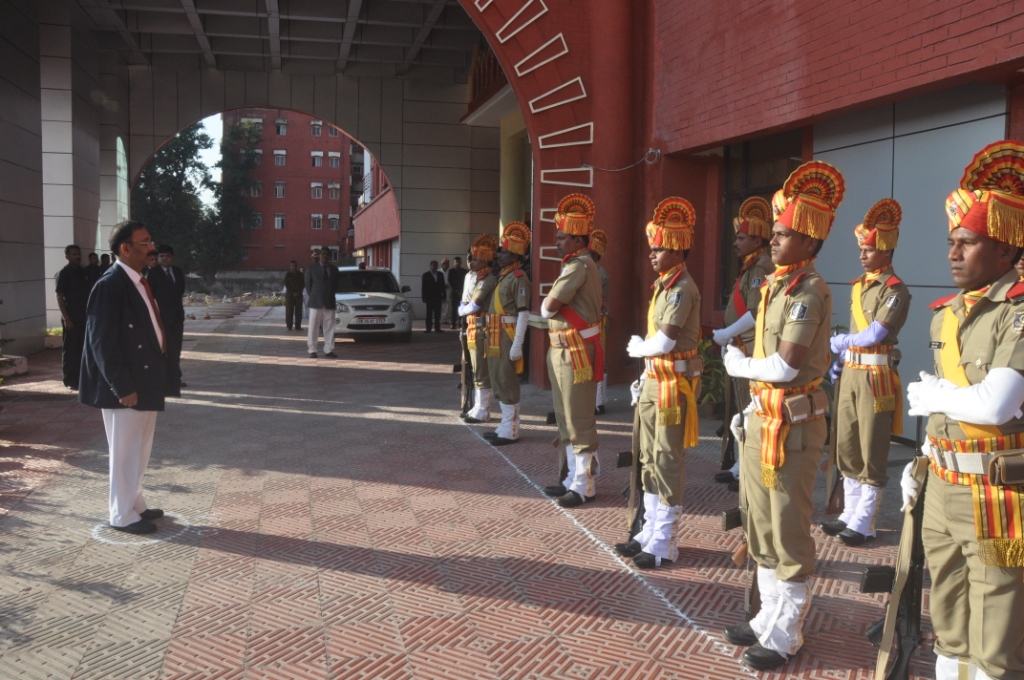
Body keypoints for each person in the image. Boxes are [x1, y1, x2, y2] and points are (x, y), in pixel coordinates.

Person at [902, 140, 1024, 680]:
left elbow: (997, 404)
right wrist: (924, 458)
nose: (953, 253)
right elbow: (950, 406)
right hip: (943, 484)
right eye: (952, 242)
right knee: (948, 621)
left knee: (996, 640)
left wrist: (934, 397)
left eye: (967, 243)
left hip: (993, 493)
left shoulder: (1016, 313)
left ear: (1005, 250)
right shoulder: (945, 314)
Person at [721, 161, 844, 670]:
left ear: (810, 241)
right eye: (773, 232)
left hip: (793, 425)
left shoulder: (808, 291)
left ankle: (786, 631)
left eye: (784, 234)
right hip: (764, 418)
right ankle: (766, 617)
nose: (773, 240)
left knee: (787, 527)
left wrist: (739, 365)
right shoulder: (776, 285)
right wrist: (751, 402)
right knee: (761, 524)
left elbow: (786, 365)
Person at [614, 198, 702, 569]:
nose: (652, 253)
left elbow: (665, 341)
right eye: (651, 248)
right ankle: (649, 530)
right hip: (655, 380)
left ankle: (665, 540)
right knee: (649, 458)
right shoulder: (665, 286)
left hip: (671, 385)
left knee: (666, 460)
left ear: (678, 249)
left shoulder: (681, 288)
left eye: (659, 248)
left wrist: (640, 348)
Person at [820, 199, 911, 546]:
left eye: (869, 249)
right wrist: (841, 361)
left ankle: (865, 520)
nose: (862, 255)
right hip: (852, 374)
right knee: (846, 443)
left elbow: (875, 333)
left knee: (871, 446)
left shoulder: (895, 289)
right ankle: (850, 512)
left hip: (876, 378)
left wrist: (841, 341)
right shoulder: (859, 286)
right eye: (861, 249)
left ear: (885, 250)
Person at [79, 220, 179, 534]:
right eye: (145, 242)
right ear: (125, 248)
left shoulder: (137, 281)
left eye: (151, 240)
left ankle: (135, 501)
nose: (152, 247)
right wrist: (121, 386)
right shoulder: (110, 284)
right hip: (125, 385)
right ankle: (121, 514)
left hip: (145, 378)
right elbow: (101, 341)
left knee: (141, 447)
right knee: (124, 451)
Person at [540, 194, 604, 509]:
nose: (557, 242)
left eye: (562, 237)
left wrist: (548, 305)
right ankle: (571, 479)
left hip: (575, 350)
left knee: (578, 419)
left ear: (578, 239)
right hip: (563, 348)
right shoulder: (574, 264)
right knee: (566, 418)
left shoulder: (579, 265)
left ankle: (584, 484)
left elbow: (548, 306)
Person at [712, 197, 774, 491]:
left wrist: (727, 334)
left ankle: (747, 468)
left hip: (749, 348)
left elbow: (754, 312)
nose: (735, 243)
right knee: (740, 408)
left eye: (741, 238)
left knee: (749, 409)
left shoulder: (760, 268)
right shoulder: (750, 266)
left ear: (757, 240)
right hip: (739, 346)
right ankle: (739, 464)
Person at [481, 223, 532, 445]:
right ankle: (505, 424)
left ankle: (511, 429)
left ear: (514, 255)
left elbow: (523, 313)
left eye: (503, 252)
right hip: (495, 334)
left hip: (506, 335)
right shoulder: (505, 275)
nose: (499, 255)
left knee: (506, 380)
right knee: (497, 379)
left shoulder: (519, 277)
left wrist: (518, 343)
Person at [459, 236, 498, 423]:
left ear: (484, 260)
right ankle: (478, 407)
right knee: (475, 369)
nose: (471, 262)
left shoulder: (487, 279)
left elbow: (475, 304)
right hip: (474, 327)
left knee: (481, 371)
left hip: (482, 329)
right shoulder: (477, 277)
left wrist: (461, 311)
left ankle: (483, 410)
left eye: (475, 259)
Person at [148, 244, 186, 388]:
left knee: (176, 348)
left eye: (167, 256)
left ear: (172, 258)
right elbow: (151, 295)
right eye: (162, 256)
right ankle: (162, 378)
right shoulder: (153, 273)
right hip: (161, 317)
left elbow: (180, 290)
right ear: (158, 258)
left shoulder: (177, 271)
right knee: (163, 349)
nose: (164, 258)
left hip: (177, 317)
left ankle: (175, 377)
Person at [55, 244, 91, 390]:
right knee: (71, 350)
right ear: (67, 256)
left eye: (78, 254)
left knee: (82, 349)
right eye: (74, 254)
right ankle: (70, 380)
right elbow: (59, 296)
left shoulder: (82, 272)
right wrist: (67, 318)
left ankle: (81, 378)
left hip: (84, 317)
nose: (77, 256)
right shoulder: (63, 273)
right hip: (71, 318)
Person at [589, 229, 610, 415]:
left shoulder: (597, 273)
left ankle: (599, 401)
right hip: (593, 319)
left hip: (596, 320)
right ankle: (597, 401)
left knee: (598, 359)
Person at [304, 248, 339, 358]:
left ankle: (328, 350)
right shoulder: (311, 268)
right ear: (319, 255)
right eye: (323, 254)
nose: (325, 256)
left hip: (329, 300)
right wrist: (315, 296)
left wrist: (329, 294)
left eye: (327, 254)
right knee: (313, 326)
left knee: (329, 326)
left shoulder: (334, 269)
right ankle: (312, 350)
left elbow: (336, 285)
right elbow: (308, 286)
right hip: (315, 301)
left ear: (330, 256)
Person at [421, 261, 445, 332]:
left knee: (437, 314)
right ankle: (428, 328)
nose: (435, 267)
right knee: (429, 314)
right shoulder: (426, 275)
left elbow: (443, 286)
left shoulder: (440, 274)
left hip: (438, 297)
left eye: (436, 265)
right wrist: (424, 298)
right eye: (433, 265)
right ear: (430, 266)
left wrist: (444, 295)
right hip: (429, 298)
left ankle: (437, 328)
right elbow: (423, 287)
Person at [283, 260, 304, 331]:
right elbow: (286, 284)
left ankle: (298, 325)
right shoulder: (288, 275)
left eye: (294, 266)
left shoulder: (300, 275)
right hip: (290, 295)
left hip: (298, 295)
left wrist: (298, 292)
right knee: (289, 311)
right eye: (292, 266)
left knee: (299, 311)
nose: (293, 267)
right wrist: (292, 292)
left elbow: (303, 284)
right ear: (290, 267)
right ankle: (289, 325)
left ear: (296, 266)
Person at [448, 256, 468, 328]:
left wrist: (462, 290)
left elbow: (466, 282)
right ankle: (453, 323)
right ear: (454, 263)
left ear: (461, 262)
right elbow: (450, 281)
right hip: (454, 292)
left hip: (462, 292)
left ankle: (460, 323)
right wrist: (456, 290)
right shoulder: (451, 271)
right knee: (454, 309)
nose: (457, 263)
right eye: (456, 262)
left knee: (461, 308)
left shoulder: (465, 271)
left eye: (458, 262)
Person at [439, 257, 452, 327]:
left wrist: (448, 285)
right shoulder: (438, 272)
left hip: (447, 291)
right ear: (442, 264)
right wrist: (443, 286)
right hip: (439, 291)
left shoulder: (450, 272)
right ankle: (438, 319)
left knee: (445, 305)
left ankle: (444, 320)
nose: (447, 265)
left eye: (448, 264)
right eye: (445, 264)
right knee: (439, 305)